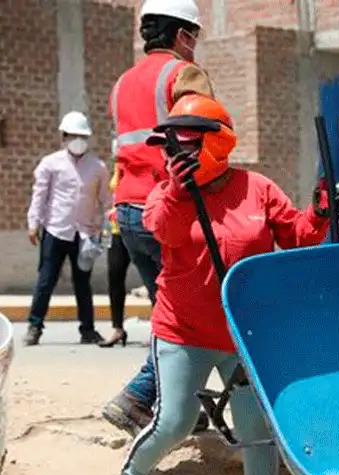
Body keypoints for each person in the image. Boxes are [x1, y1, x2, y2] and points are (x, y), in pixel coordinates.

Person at [110, 94, 331, 475]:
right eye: (170, 148)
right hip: (182, 328)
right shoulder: (166, 191)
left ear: (218, 143)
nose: (174, 156)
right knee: (175, 422)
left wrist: (319, 212)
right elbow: (161, 230)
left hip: (244, 331)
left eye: (185, 146)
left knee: (256, 428)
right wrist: (175, 188)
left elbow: (297, 236)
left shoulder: (257, 188)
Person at [101, 0, 214, 436]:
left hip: (128, 211)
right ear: (182, 34)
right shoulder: (183, 74)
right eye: (195, 37)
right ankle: (138, 397)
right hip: (168, 210)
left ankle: (176, 402)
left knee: (169, 313)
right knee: (189, 314)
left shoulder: (122, 82)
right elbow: (205, 140)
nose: (195, 46)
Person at [23, 111, 109, 346]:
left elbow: (105, 200)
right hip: (56, 230)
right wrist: (34, 224)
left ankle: (88, 329)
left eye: (82, 135)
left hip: (85, 234)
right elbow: (40, 196)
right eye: (73, 135)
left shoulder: (97, 167)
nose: (77, 140)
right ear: (64, 136)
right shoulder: (50, 164)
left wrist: (105, 227)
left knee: (83, 283)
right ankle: (34, 326)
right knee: (46, 280)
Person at [99, 167, 131, 348]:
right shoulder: (119, 165)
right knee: (115, 278)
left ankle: (158, 332)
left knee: (152, 280)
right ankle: (117, 328)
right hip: (116, 230)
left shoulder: (143, 161)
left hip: (139, 229)